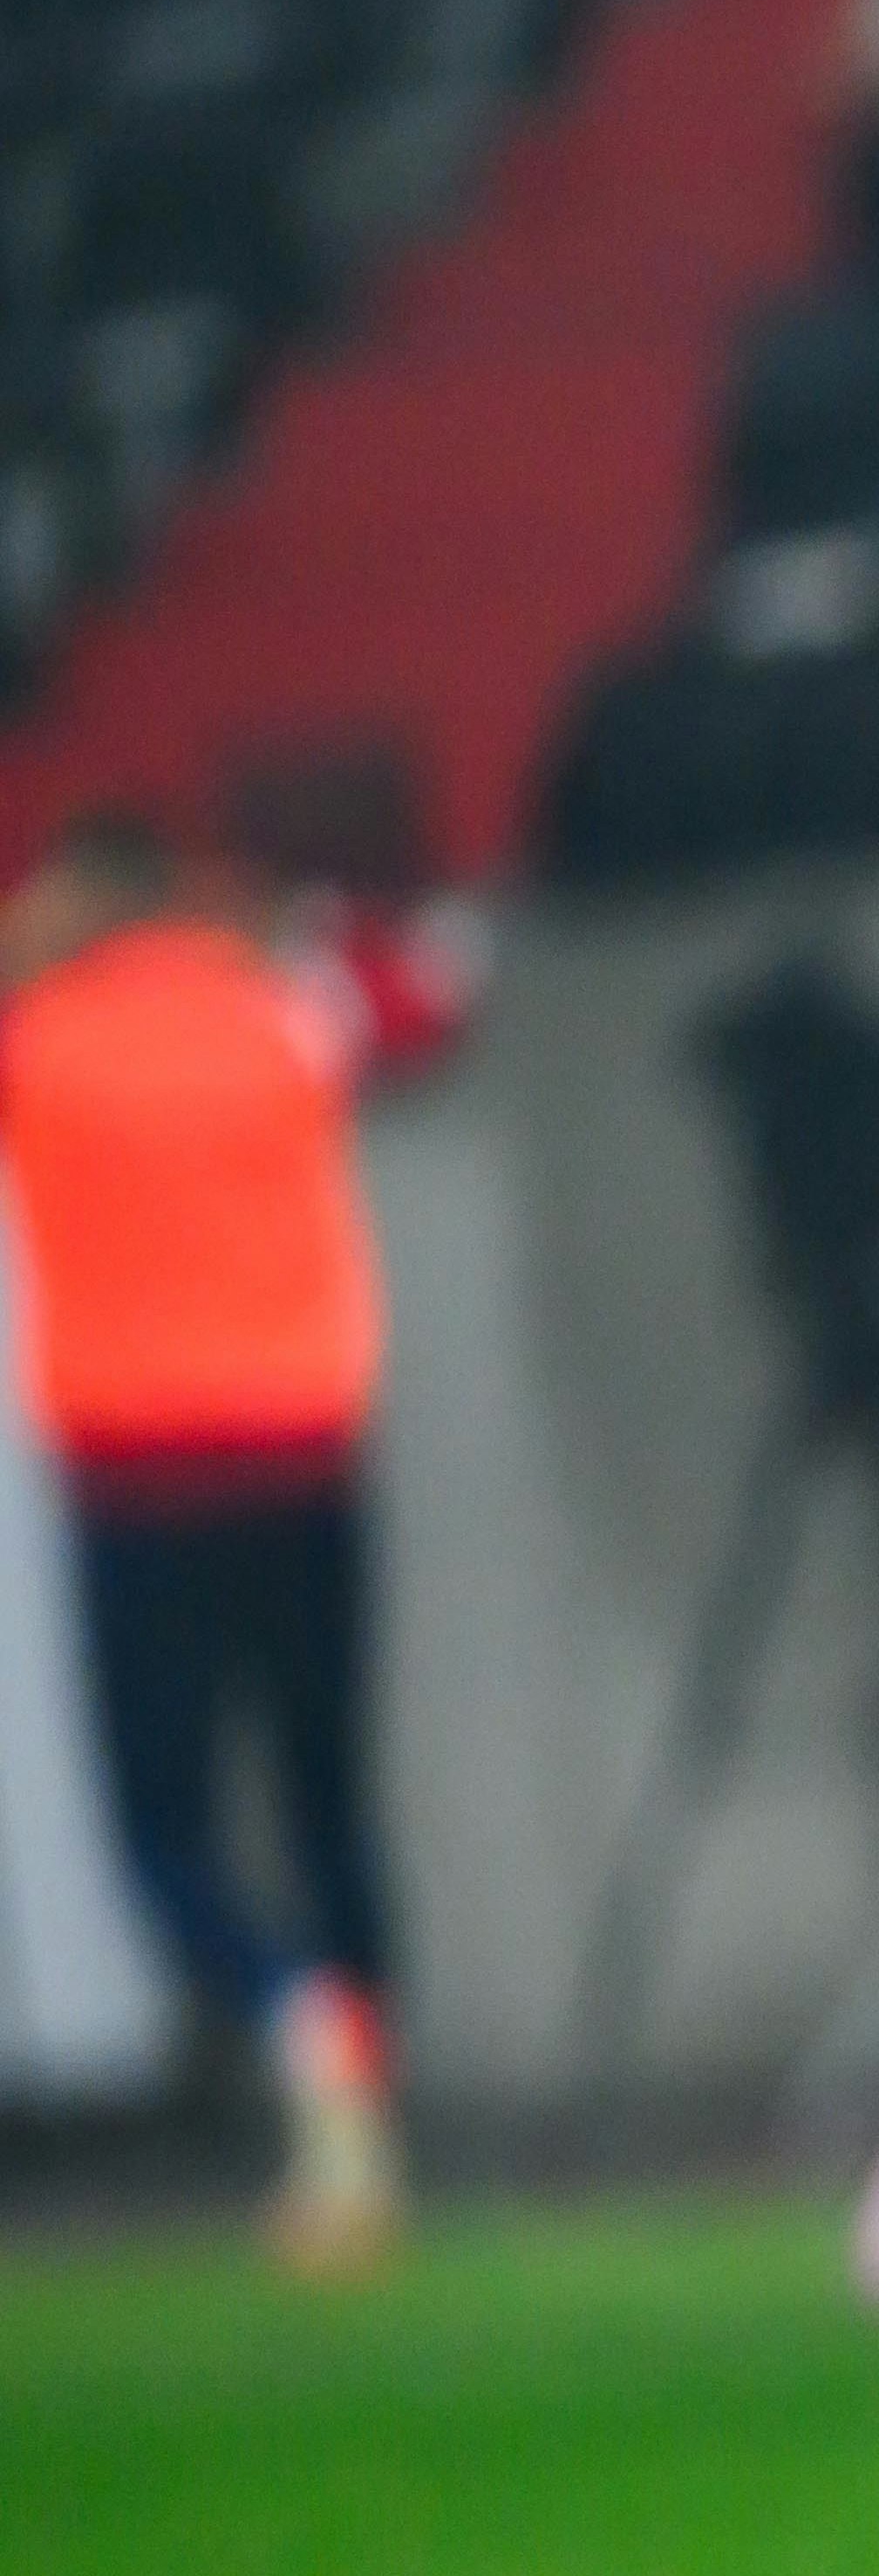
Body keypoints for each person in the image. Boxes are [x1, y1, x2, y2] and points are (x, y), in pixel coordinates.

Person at [0, 814, 401, 2274]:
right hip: (308, 1456)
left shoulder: (39, 1038)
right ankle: (368, 2131)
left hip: (142, 1482)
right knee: (329, 1793)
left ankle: (300, 2022)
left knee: (161, 1826)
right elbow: (420, 1000)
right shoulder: (285, 1010)